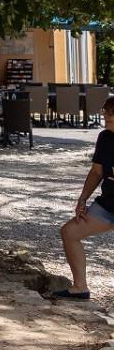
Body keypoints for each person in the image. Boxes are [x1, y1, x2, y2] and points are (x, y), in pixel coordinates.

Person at [54, 94, 114, 301]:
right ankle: (80, 287)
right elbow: (97, 172)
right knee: (69, 232)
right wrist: (83, 198)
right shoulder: (105, 138)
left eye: (111, 114)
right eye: (105, 112)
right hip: (108, 205)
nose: (106, 116)